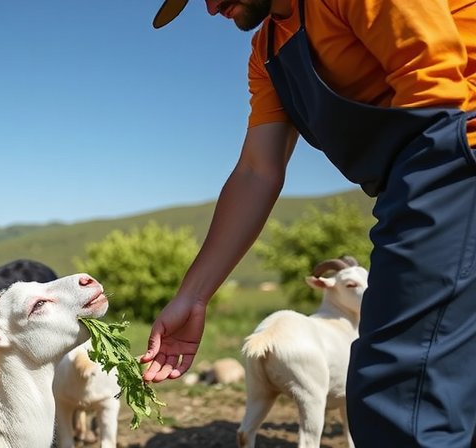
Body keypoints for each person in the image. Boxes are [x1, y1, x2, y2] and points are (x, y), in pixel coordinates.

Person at [139, 0, 476, 446]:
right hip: (419, 175)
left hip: (456, 155)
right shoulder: (269, 52)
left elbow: (435, 87)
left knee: (401, 392)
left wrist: (419, 227)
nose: (209, 6)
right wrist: (193, 296)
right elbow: (256, 171)